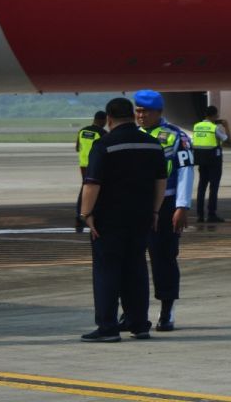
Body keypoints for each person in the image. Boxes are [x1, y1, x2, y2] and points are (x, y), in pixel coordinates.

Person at [79, 96, 167, 342]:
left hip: (109, 219)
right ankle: (139, 324)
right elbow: (161, 181)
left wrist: (86, 214)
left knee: (107, 270)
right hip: (141, 216)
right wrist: (155, 212)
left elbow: (92, 184)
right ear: (132, 116)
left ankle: (107, 327)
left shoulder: (104, 144)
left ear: (109, 119)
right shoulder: (152, 144)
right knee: (136, 268)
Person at [134, 89, 194, 332]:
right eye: (138, 110)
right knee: (131, 260)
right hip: (135, 205)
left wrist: (182, 206)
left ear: (159, 112)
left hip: (166, 204)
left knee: (163, 259)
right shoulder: (131, 135)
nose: (140, 115)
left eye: (145, 111)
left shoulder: (176, 137)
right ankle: (132, 310)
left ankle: (167, 309)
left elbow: (185, 171)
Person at [191, 105, 229, 223]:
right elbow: (227, 139)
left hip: (201, 160)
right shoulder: (214, 127)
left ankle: (200, 215)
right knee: (213, 188)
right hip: (214, 160)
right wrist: (226, 127)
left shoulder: (196, 126)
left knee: (202, 187)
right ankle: (211, 214)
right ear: (214, 115)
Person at [75, 110, 107, 233]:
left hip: (83, 165)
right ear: (103, 120)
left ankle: (79, 215)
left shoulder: (82, 131)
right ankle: (90, 213)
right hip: (95, 165)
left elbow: (77, 147)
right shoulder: (102, 133)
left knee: (84, 187)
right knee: (95, 189)